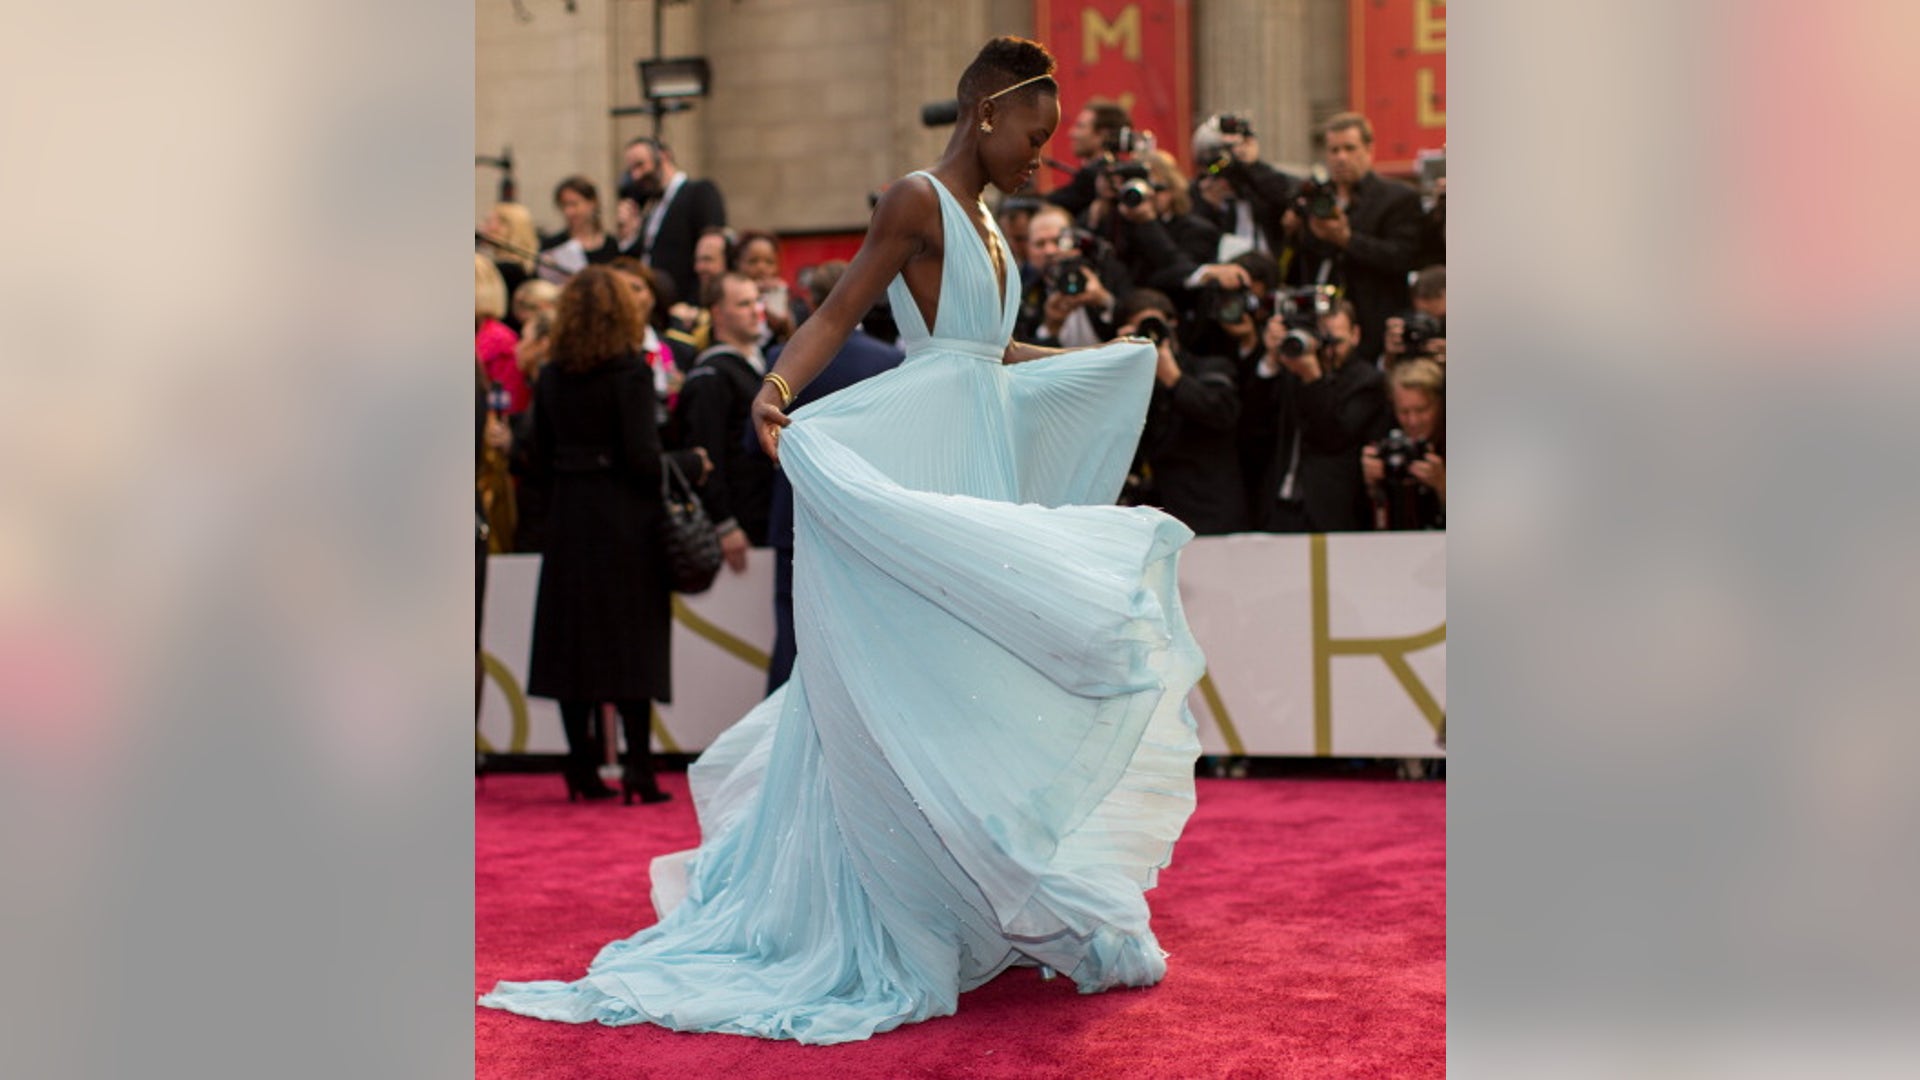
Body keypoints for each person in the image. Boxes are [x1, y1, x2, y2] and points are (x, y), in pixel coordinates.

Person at [481, 36, 1204, 1044]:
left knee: (965, 682)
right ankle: (890, 902)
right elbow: (838, 309)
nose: (1044, 158)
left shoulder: (995, 221)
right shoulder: (918, 200)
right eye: (1035, 137)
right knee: (906, 683)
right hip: (925, 457)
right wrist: (774, 393)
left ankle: (961, 899)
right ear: (988, 112)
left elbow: (989, 358)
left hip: (977, 459)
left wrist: (1111, 359)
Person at [519, 266, 710, 805]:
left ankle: (581, 769)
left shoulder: (553, 374)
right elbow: (643, 461)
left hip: (569, 519)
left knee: (570, 643)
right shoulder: (629, 372)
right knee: (633, 644)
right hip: (626, 521)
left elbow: (536, 454)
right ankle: (638, 771)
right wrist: (692, 463)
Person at [759, 260, 903, 693]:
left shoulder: (777, 362)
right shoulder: (890, 361)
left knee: (793, 627)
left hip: (795, 509)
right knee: (861, 626)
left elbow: (757, 445)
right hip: (862, 515)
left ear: (811, 301)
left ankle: (777, 730)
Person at [1282, 113, 1423, 367]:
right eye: (1334, 150)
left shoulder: (1398, 198)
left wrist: (1347, 239)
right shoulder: (1315, 201)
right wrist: (1294, 231)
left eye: (1349, 148)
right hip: (1321, 325)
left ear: (1369, 149)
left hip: (1374, 328)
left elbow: (1402, 256)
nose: (1341, 158)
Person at [1242, 298, 1391, 532]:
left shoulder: (1367, 381)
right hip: (1277, 508)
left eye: (1337, 342)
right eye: (1322, 341)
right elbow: (1254, 422)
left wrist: (1312, 378)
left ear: (1356, 335)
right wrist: (1271, 360)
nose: (1328, 350)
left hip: (1331, 512)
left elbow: (1332, 437)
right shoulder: (1294, 367)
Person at [1115, 289, 1246, 535]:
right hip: (1155, 517)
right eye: (1141, 329)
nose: (1151, 335)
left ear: (1173, 324)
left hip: (1211, 514)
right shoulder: (1127, 383)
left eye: (1155, 325)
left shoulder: (1212, 367)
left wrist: (1173, 378)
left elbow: (1221, 413)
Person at [671, 271, 777, 562]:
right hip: (739, 529)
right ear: (718, 313)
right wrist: (724, 523)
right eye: (744, 304)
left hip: (766, 518)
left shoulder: (761, 366)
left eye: (758, 301)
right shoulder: (711, 375)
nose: (756, 311)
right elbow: (705, 452)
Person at [623, 136, 728, 307]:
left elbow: (712, 254)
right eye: (632, 170)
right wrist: (629, 232)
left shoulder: (699, 192)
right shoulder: (651, 208)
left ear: (663, 156)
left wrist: (696, 304)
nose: (636, 176)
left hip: (688, 307)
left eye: (640, 165)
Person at [1362, 357, 1445, 529]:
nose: (1413, 421)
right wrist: (1372, 487)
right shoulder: (1384, 439)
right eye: (1404, 412)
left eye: (1421, 410)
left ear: (1439, 404)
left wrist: (1442, 484)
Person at [539, 176, 621, 279]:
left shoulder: (612, 244)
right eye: (564, 205)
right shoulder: (553, 245)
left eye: (574, 204)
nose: (568, 212)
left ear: (592, 203)